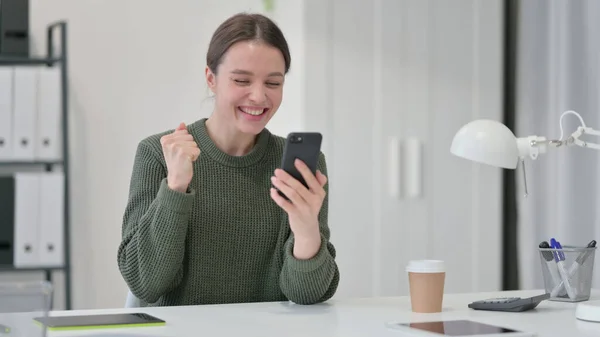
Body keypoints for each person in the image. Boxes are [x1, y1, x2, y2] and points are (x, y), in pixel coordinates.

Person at [117, 12, 340, 307]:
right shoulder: (159, 154)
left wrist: (307, 230)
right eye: (241, 80)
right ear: (211, 78)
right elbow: (145, 283)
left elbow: (307, 295)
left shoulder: (298, 168)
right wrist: (175, 188)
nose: (259, 97)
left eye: (273, 83)